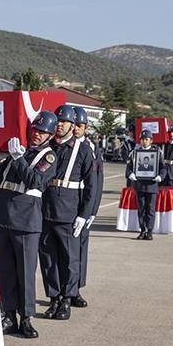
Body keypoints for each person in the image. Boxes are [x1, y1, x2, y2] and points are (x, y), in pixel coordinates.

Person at [0, 111, 58, 338]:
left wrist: (17, 158)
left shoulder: (49, 157)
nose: (37, 135)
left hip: (26, 219)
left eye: (42, 132)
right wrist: (2, 158)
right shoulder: (18, 149)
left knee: (25, 272)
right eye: (35, 130)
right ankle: (9, 315)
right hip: (3, 214)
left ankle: (26, 318)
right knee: (5, 271)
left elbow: (35, 181)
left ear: (50, 135)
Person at [39, 106, 94, 321]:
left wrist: (84, 214)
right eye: (58, 121)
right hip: (45, 210)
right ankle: (53, 297)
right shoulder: (48, 147)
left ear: (73, 125)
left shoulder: (83, 150)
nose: (59, 124)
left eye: (64, 121)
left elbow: (91, 185)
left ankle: (66, 299)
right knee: (48, 258)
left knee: (69, 259)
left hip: (69, 212)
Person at [73, 109, 103, 309]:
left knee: (80, 248)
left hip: (84, 199)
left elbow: (97, 181)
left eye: (80, 126)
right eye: (73, 125)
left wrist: (92, 210)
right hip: (66, 200)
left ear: (85, 128)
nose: (76, 129)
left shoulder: (90, 147)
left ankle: (76, 289)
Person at [126, 130, 165, 240]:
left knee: (150, 209)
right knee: (141, 209)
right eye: (142, 139)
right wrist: (130, 174)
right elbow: (129, 167)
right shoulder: (135, 153)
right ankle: (142, 230)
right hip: (139, 185)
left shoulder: (157, 152)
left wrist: (160, 176)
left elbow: (163, 168)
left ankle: (150, 231)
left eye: (146, 139)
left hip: (152, 185)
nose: (144, 141)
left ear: (151, 141)